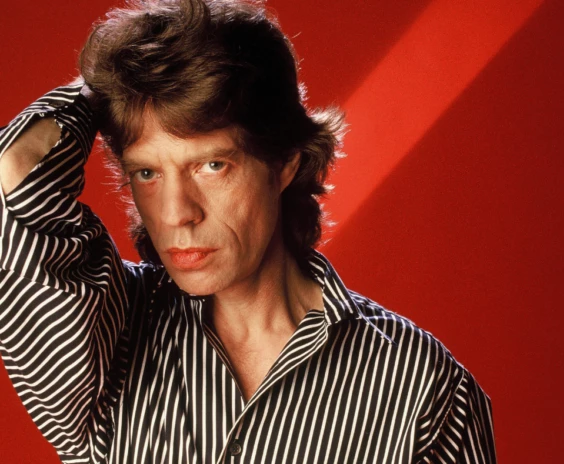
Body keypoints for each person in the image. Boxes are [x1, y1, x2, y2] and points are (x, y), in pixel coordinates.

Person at [0, 0, 496, 462]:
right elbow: (15, 169)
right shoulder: (106, 338)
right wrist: (108, 86)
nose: (176, 213)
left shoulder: (421, 390)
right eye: (147, 173)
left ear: (284, 163)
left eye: (212, 165)